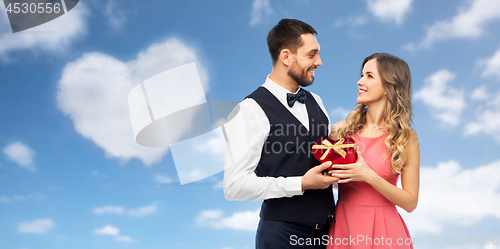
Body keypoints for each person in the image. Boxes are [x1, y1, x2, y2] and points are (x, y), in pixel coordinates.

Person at [223, 18, 339, 249]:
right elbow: (233, 187)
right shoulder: (250, 110)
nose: (319, 62)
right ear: (286, 57)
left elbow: (324, 160)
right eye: (311, 54)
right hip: (282, 236)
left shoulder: (317, 101)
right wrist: (301, 184)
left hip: (329, 234)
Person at [327, 53, 420, 248]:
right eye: (362, 75)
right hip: (345, 229)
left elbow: (410, 202)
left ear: (389, 86)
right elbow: (333, 181)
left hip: (387, 234)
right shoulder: (341, 131)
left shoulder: (406, 138)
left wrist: (368, 175)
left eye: (369, 76)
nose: (360, 81)